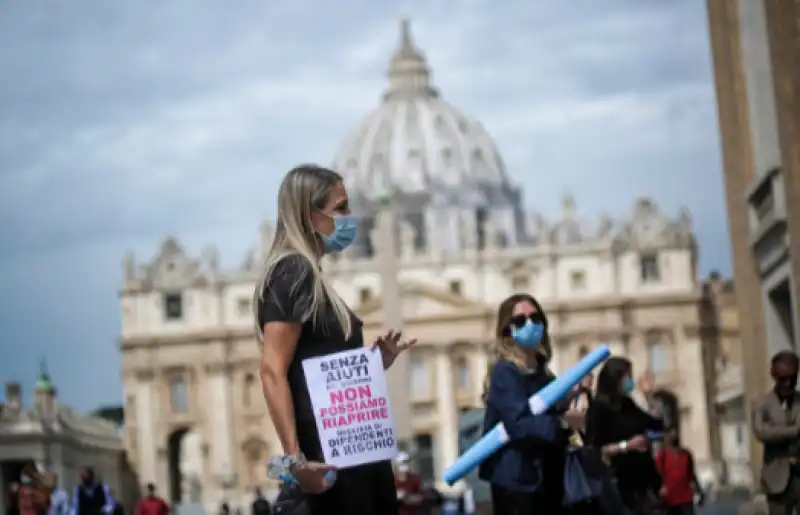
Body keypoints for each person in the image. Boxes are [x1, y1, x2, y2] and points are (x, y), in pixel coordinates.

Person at [254, 165, 416, 515]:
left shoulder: (308, 273)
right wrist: (295, 462)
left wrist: (371, 365)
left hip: (351, 445)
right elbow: (272, 369)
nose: (349, 217)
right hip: (330, 455)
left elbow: (315, 360)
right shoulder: (292, 271)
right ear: (309, 215)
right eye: (341, 208)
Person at [478, 293, 570, 515]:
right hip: (517, 483)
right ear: (506, 330)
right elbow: (519, 424)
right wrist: (564, 423)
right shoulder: (504, 372)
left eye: (535, 318)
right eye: (520, 320)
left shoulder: (544, 373)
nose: (530, 324)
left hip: (547, 478)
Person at [585, 357, 664, 515]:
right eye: (627, 376)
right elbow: (594, 449)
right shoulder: (598, 409)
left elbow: (656, 425)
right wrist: (626, 446)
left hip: (642, 484)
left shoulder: (627, 404)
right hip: (617, 485)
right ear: (615, 378)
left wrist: (648, 397)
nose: (630, 380)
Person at [752, 350, 800, 514]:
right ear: (774, 376)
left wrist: (777, 430)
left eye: (792, 378)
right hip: (777, 481)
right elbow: (761, 432)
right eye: (782, 379)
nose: (787, 383)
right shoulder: (763, 403)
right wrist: (794, 431)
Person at [655, 428, 704, 515]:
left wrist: (699, 491)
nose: (674, 435)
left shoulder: (686, 454)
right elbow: (657, 474)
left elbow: (691, 474)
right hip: (669, 499)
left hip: (685, 498)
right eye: (671, 433)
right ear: (667, 437)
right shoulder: (662, 454)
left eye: (675, 433)